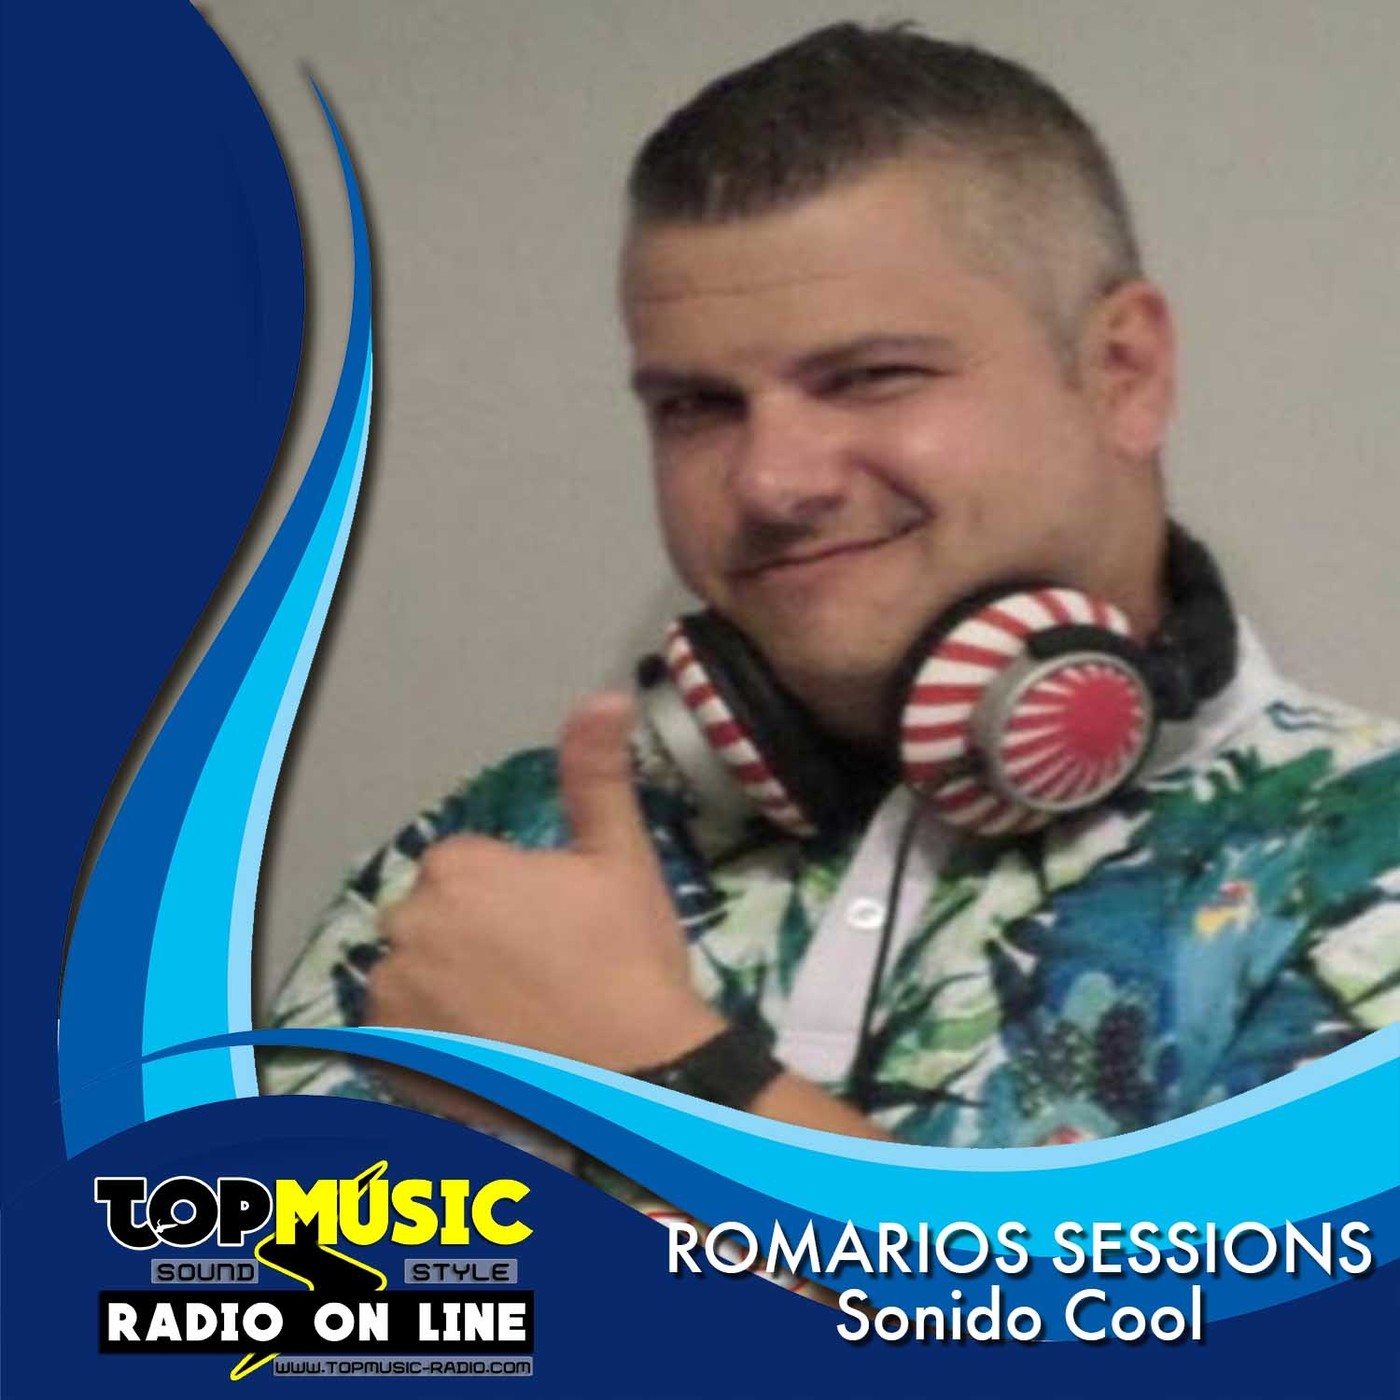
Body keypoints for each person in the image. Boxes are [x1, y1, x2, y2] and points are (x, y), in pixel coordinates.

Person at [261, 23, 1400, 1153]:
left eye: (869, 377)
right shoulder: (488, 862)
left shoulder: (1358, 861)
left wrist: (653, 1074)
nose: (770, 480)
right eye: (697, 407)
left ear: (1122, 372)